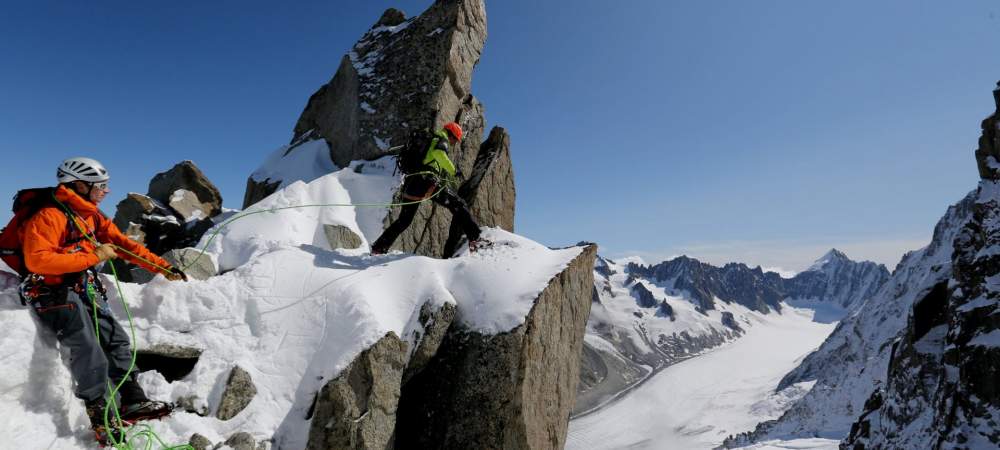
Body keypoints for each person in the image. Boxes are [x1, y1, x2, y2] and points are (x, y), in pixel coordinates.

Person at [19, 157, 186, 445]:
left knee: (115, 338)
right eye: (101, 186)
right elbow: (37, 260)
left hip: (79, 284)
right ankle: (100, 413)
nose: (106, 191)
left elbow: (123, 244)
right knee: (87, 344)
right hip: (50, 290)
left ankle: (132, 398)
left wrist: (162, 266)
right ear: (80, 185)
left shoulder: (90, 215)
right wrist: (94, 257)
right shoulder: (49, 215)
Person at [371, 122, 490, 255]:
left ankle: (378, 248)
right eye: (455, 140)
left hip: (411, 184)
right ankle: (475, 238)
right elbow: (440, 154)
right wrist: (454, 170)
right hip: (425, 182)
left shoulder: (430, 140)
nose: (453, 143)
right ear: (451, 135)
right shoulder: (441, 139)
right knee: (458, 204)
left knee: (404, 220)